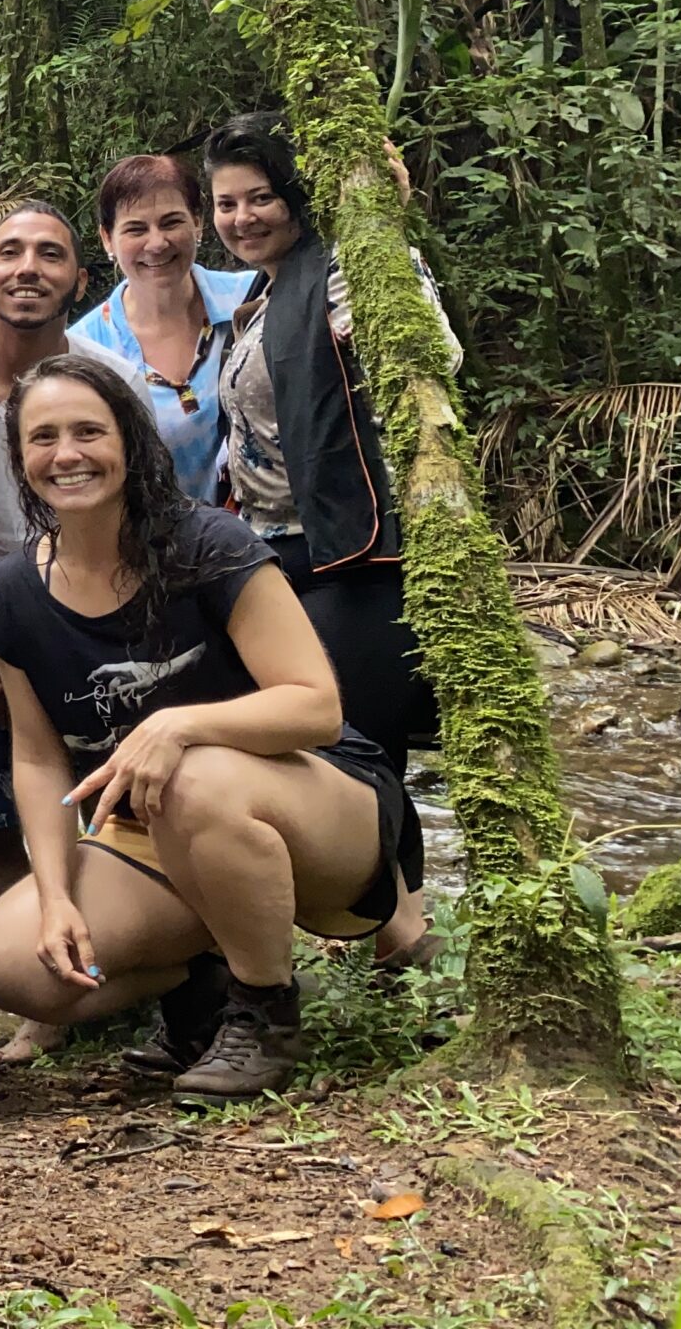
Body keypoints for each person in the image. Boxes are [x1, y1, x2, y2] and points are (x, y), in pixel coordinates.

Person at [0, 354, 406, 1096]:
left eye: (87, 432)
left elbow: (315, 705)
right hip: (163, 835)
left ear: (130, 443)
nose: (66, 455)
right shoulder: (11, 596)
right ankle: (206, 983)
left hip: (321, 806)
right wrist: (55, 896)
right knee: (8, 966)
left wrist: (179, 726)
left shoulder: (211, 547)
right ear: (19, 458)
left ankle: (266, 1012)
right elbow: (38, 762)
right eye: (43, 438)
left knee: (189, 773)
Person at [206, 113, 456, 967]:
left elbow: (431, 352)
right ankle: (382, 930)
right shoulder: (264, 291)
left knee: (364, 743)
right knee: (331, 742)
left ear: (298, 196)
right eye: (226, 204)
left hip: (353, 549)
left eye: (260, 198)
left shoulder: (340, 269)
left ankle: (406, 933)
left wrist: (383, 233)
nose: (242, 218)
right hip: (278, 552)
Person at [0, 202, 138, 923]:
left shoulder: (113, 382)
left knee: (117, 812)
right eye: (11, 252)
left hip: (88, 631)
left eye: (50, 255)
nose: (28, 269)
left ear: (80, 280)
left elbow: (136, 513)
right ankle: (35, 990)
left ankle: (120, 964)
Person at [72, 156, 258, 502]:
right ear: (107, 239)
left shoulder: (253, 297)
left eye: (171, 223)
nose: (156, 243)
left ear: (198, 224)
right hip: (157, 548)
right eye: (136, 229)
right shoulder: (86, 349)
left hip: (274, 537)